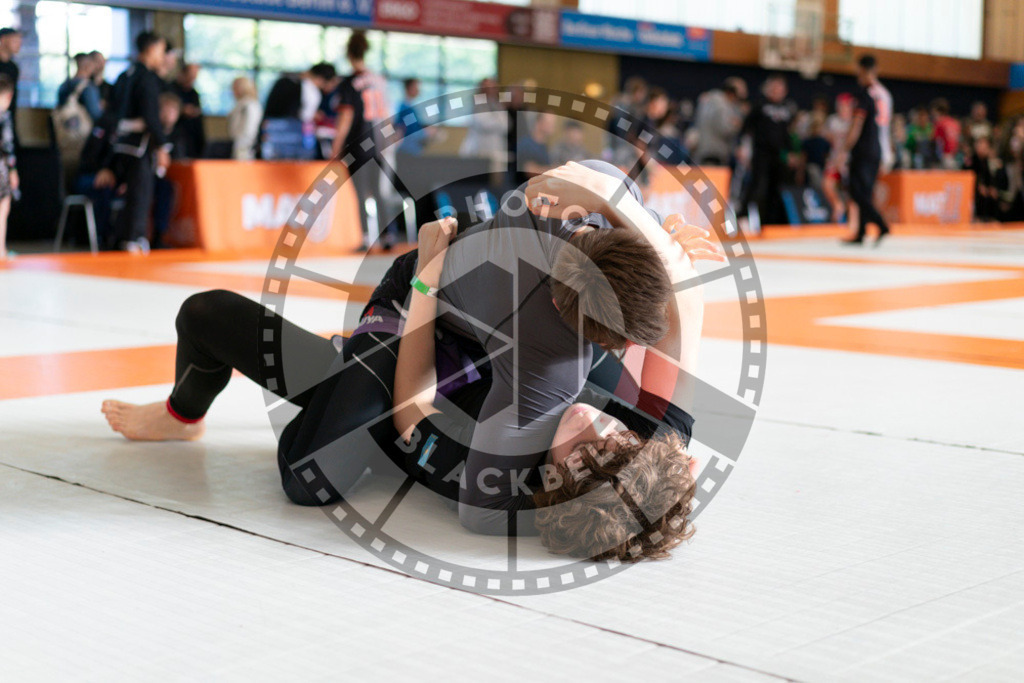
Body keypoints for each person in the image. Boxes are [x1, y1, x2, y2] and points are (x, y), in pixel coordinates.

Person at [101, 160, 719, 560]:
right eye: (616, 433)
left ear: (557, 488)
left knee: (303, 468)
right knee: (604, 369)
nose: (593, 425)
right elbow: (678, 328)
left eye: (584, 453)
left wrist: (425, 278)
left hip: (417, 362)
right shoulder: (647, 451)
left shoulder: (501, 501)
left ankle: (186, 412)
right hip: (494, 335)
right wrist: (666, 254)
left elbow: (408, 413)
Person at [96, 31, 172, 253]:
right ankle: (133, 237)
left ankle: (124, 237)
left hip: (120, 143)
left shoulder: (124, 75)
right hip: (139, 145)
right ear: (151, 49)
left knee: (131, 193)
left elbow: (112, 112)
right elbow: (150, 116)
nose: (163, 56)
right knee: (140, 192)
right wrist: (163, 146)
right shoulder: (146, 77)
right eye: (161, 50)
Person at [330, 31, 390, 248]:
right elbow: (386, 113)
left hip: (358, 141)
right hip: (379, 141)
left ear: (348, 53)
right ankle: (386, 236)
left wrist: (336, 146)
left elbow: (346, 115)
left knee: (361, 192)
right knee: (378, 191)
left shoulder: (350, 82)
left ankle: (366, 237)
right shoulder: (379, 80)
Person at [840, 54, 890, 246]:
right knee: (865, 192)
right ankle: (861, 232)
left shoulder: (864, 95)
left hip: (863, 150)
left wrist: (844, 150)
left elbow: (856, 126)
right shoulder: (882, 94)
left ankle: (880, 223)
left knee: (856, 191)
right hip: (875, 148)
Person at [738, 73, 796, 228]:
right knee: (757, 187)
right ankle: (742, 216)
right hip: (761, 153)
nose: (778, 91)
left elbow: (786, 134)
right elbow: (746, 128)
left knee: (775, 189)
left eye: (781, 88)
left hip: (778, 156)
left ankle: (769, 222)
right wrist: (742, 147)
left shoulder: (786, 109)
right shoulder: (759, 105)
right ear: (769, 88)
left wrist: (790, 152)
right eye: (775, 87)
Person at [692, 77, 747, 166]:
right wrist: (737, 125)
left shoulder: (709, 99)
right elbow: (724, 129)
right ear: (732, 93)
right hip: (715, 151)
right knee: (713, 178)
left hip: (703, 148)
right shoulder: (723, 105)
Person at [170, 63, 205, 158]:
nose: (193, 79)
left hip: (192, 138)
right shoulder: (171, 89)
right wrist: (182, 110)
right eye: (191, 76)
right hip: (176, 135)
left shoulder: (194, 93)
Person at [57, 53, 103, 122]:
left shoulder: (64, 85)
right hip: (82, 129)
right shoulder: (88, 87)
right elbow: (95, 114)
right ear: (87, 66)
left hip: (62, 126)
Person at [0, 75, 17, 260]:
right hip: (1, 168)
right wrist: (12, 170)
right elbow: (7, 145)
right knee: (3, 207)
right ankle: (0, 250)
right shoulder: (4, 116)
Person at [227, 77, 261, 161]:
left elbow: (249, 130)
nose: (232, 91)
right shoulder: (240, 104)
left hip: (244, 149)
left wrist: (242, 147)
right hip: (237, 145)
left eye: (234, 88)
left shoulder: (250, 105)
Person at [394, 77, 430, 156]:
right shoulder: (404, 108)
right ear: (409, 88)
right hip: (408, 145)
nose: (418, 90)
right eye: (416, 87)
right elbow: (406, 128)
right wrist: (427, 132)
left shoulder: (411, 107)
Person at [517, 111, 555, 183]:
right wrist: (553, 170)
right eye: (549, 123)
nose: (552, 126)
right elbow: (530, 171)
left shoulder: (544, 146)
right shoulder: (526, 144)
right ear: (539, 122)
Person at [0, 27, 20, 148]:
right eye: (14, 41)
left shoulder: (14, 68)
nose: (18, 44)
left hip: (8, 117)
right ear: (3, 40)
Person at [931, 98, 961, 170]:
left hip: (945, 159)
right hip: (956, 158)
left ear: (937, 111)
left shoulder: (940, 124)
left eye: (933, 112)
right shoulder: (955, 123)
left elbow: (933, 140)